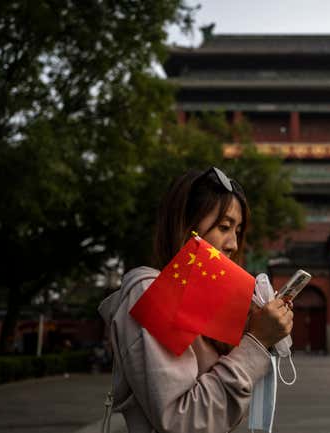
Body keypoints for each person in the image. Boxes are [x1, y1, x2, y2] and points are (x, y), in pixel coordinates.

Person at [98, 167, 294, 433]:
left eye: (237, 231)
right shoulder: (153, 292)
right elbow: (183, 421)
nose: (233, 244)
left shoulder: (204, 298)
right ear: (186, 226)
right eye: (224, 227)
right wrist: (256, 343)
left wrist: (255, 330)